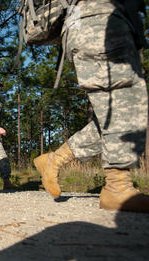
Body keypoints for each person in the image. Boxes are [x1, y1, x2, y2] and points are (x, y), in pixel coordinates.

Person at [34, 0, 149, 212]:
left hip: (107, 19)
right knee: (119, 100)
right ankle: (117, 186)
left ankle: (55, 159)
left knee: (123, 110)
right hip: (97, 18)